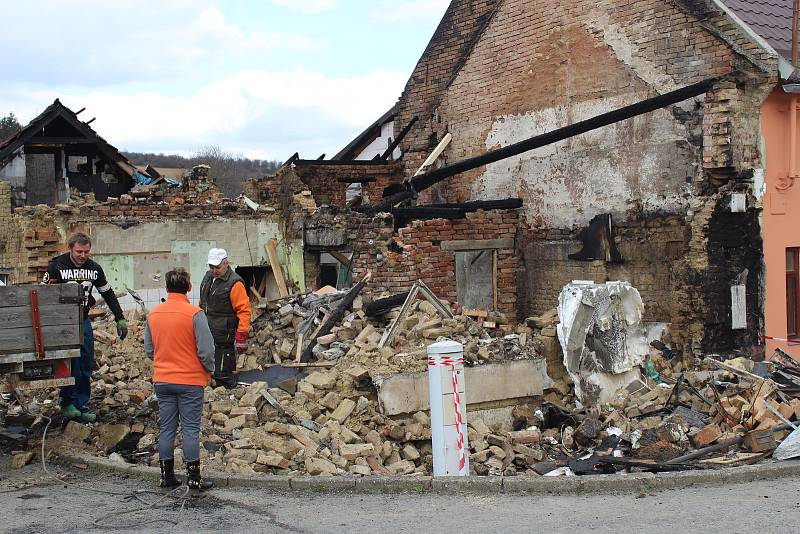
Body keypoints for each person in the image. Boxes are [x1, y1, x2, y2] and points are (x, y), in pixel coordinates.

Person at [43, 232, 127, 423]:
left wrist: (120, 318)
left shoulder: (94, 269)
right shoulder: (56, 267)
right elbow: (42, 294)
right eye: (79, 251)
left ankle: (81, 404)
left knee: (86, 362)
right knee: (70, 363)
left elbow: (108, 293)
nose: (82, 256)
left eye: (86, 252)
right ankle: (67, 402)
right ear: (70, 248)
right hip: (63, 322)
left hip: (83, 320)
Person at [144, 268, 215, 490]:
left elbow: (149, 350)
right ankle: (194, 478)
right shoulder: (195, 314)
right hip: (190, 381)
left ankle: (166, 477)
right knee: (190, 429)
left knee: (167, 428)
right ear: (190, 287)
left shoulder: (153, 314)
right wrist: (209, 370)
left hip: (163, 380)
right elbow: (206, 350)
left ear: (166, 288)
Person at [199, 248, 251, 388]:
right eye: (211, 267)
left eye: (217, 267)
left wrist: (242, 335)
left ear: (226, 263)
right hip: (207, 328)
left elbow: (244, 311)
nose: (214, 270)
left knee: (223, 366)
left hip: (224, 332)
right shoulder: (207, 277)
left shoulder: (235, 283)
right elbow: (203, 301)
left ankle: (226, 389)